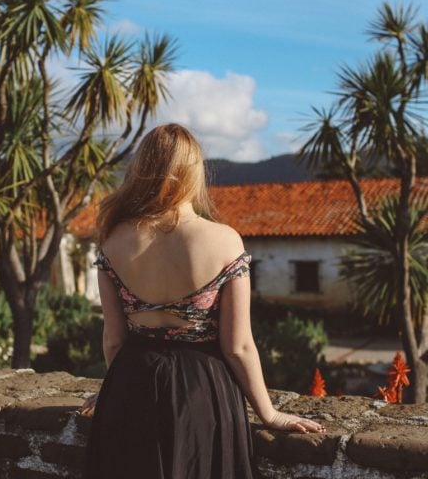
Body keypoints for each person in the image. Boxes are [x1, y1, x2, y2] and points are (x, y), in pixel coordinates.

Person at [78, 123, 326, 479]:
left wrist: (111, 390)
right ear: (193, 173)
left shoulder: (113, 240)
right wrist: (269, 414)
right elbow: (238, 346)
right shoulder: (225, 241)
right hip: (202, 390)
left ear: (142, 169)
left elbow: (114, 339)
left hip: (130, 386)